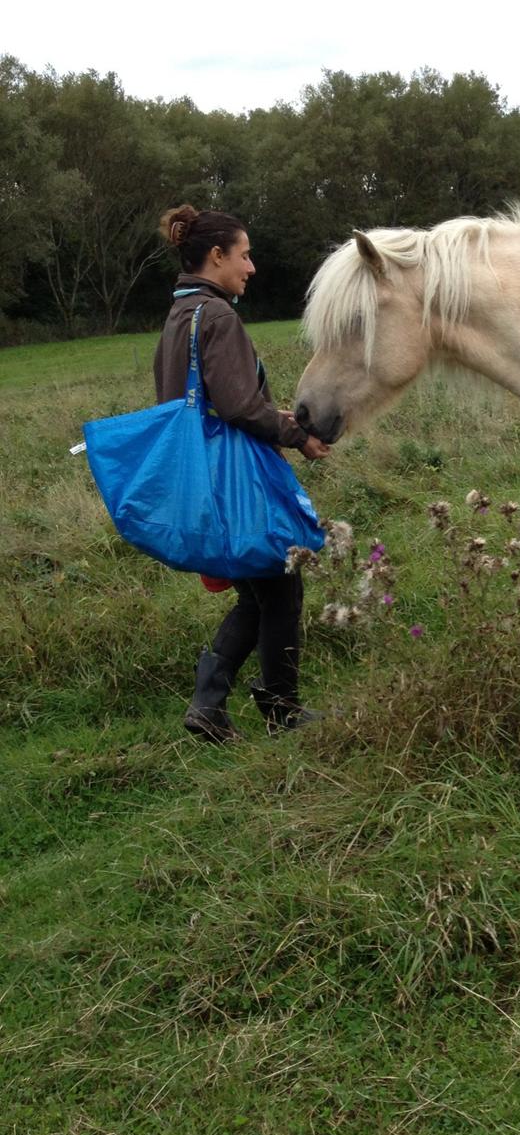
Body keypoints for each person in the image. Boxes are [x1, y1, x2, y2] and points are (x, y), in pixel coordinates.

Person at [154, 204, 330, 743]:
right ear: (216, 256)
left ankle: (211, 703)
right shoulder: (220, 317)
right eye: (244, 255)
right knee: (280, 586)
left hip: (203, 475)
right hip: (236, 478)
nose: (251, 267)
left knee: (260, 592)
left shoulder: (180, 316)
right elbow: (236, 406)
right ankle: (279, 709)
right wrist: (298, 436)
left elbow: (193, 402)